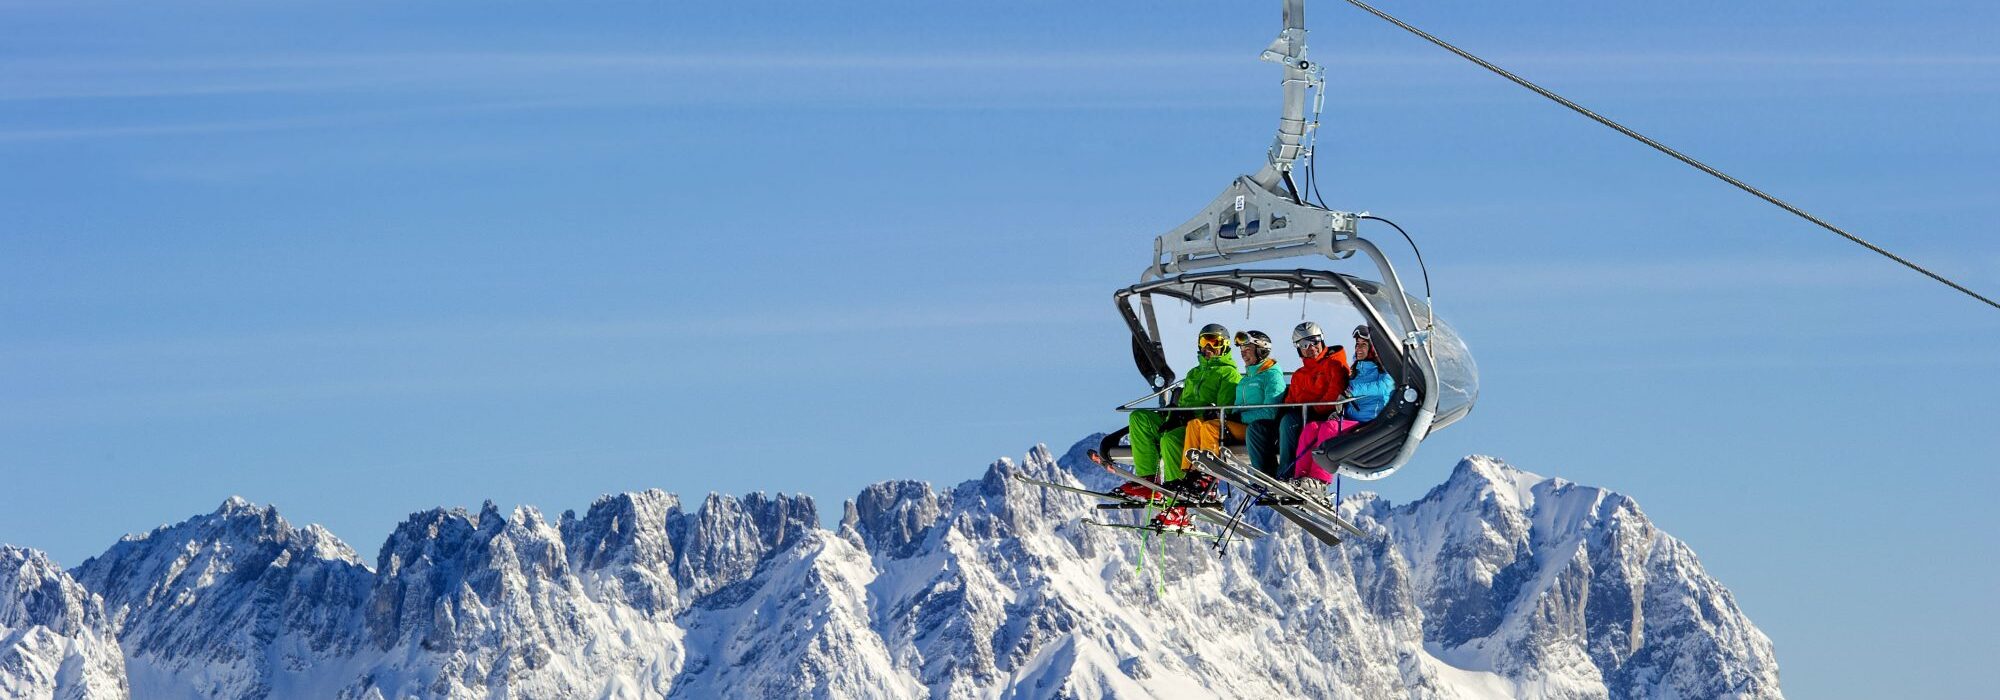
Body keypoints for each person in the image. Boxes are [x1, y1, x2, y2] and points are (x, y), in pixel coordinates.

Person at [1116, 323, 1241, 526]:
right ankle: (1148, 482)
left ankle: (1177, 505)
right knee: (1139, 417)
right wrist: (1174, 415)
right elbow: (1182, 402)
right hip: (1181, 419)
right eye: (1204, 342)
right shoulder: (1193, 373)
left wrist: (1189, 416)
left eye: (1214, 342)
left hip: (1199, 426)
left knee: (1171, 439)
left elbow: (1222, 408)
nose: (1208, 348)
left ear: (1224, 346)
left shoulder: (1229, 374)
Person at [1291, 324, 1397, 494]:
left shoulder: (1384, 370)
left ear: (1373, 349)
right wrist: (1339, 411)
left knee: (1330, 428)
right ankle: (1300, 478)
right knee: (1311, 429)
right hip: (1351, 419)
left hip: (1370, 423)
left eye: (1363, 344)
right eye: (1357, 344)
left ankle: (1320, 481)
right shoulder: (1358, 369)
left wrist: (1352, 391)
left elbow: (1384, 387)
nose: (1358, 348)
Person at [1275, 322, 1348, 490]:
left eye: (1314, 341)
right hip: (1303, 415)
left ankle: (1286, 474)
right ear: (1298, 348)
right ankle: (1287, 475)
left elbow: (1334, 393)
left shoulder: (1334, 365)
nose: (1311, 347)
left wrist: (1311, 409)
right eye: (1304, 344)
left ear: (1322, 340)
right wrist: (1292, 409)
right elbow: (1290, 400)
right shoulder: (1299, 375)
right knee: (1283, 421)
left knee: (1291, 423)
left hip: (1323, 415)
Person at [1224, 330, 1288, 478]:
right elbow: (1236, 409)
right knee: (1205, 424)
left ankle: (1265, 475)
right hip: (1243, 427)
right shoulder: (1244, 380)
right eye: (1241, 350)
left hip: (1263, 428)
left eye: (1247, 349)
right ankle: (1193, 472)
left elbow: (1270, 412)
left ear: (1261, 351)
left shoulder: (1272, 375)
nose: (1243, 354)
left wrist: (1239, 418)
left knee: (1213, 428)